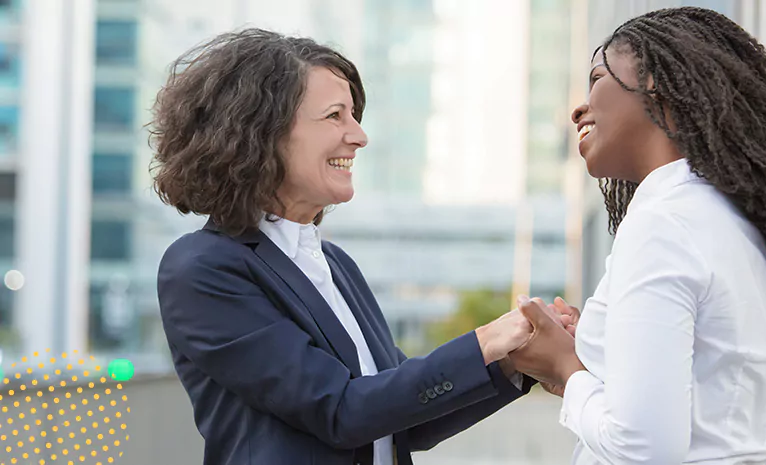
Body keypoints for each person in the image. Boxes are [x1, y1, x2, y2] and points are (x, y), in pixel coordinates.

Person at [149, 29, 537, 465]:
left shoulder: (336, 265)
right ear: (261, 132)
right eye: (336, 115)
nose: (358, 135)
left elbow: (404, 419)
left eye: (354, 115)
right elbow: (340, 410)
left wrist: (515, 362)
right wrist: (485, 340)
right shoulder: (202, 268)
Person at [509, 7, 766, 465]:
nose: (579, 107)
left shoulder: (663, 224)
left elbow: (645, 447)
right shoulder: (749, 233)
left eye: (598, 78)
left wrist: (565, 367)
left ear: (657, 84)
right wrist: (594, 363)